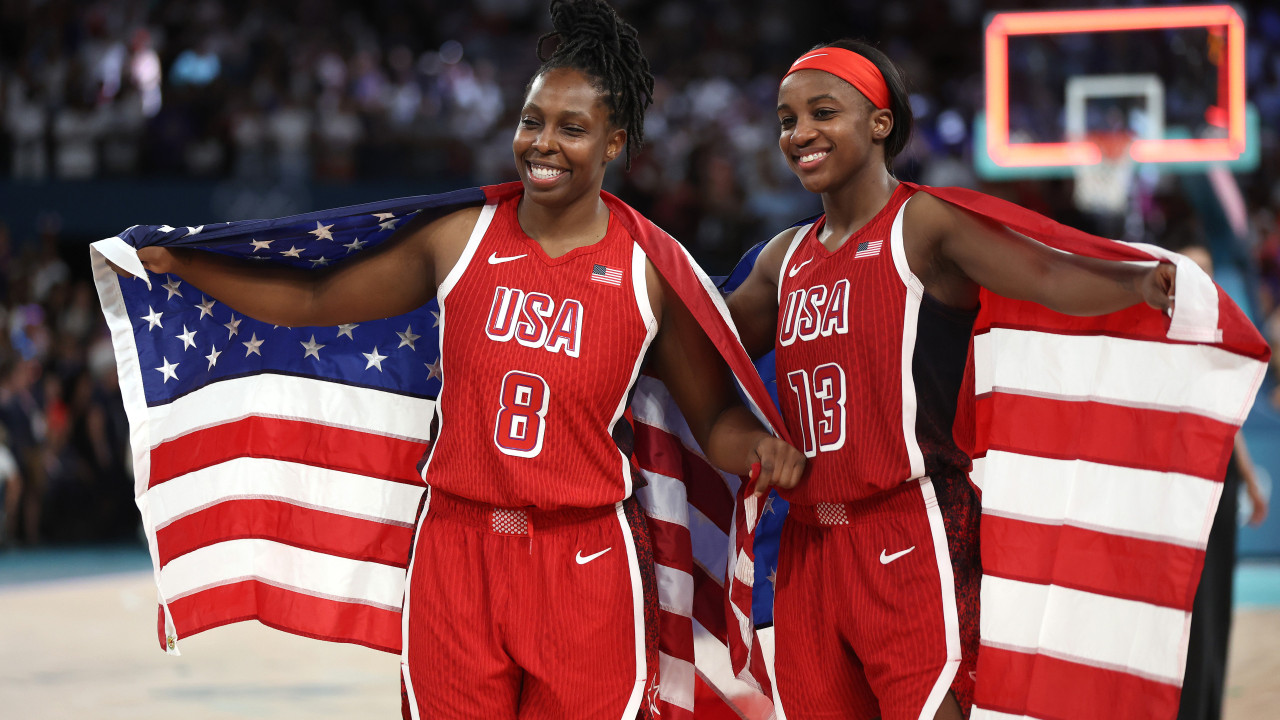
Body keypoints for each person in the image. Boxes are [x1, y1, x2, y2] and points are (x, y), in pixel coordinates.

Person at [124, 2, 805, 718]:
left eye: (572, 128)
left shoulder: (648, 271)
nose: (543, 143)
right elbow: (312, 297)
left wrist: (758, 447)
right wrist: (186, 263)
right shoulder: (461, 238)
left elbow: (713, 417)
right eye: (531, 120)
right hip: (457, 551)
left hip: (583, 560)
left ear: (614, 143)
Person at [726, 40, 1177, 720]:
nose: (801, 134)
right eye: (788, 120)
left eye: (823, 112)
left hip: (912, 529)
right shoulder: (781, 260)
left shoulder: (924, 225)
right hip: (809, 546)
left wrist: (1140, 281)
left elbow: (1049, 274)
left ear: (881, 123)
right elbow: (703, 350)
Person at [1177, 245, 1269, 720]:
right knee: (1188, 602)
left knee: (1211, 601)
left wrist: (1250, 481)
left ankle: (1203, 704)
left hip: (1216, 475)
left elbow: (1227, 419)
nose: (1202, 277)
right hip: (1183, 480)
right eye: (1192, 269)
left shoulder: (1215, 330)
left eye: (1208, 270)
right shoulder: (1168, 334)